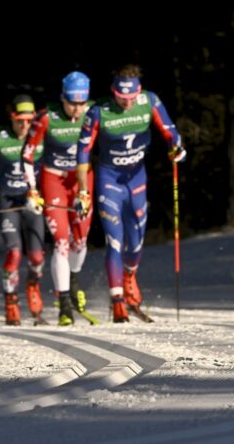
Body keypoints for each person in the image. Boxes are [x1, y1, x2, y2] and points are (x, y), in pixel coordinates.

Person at [76, 65, 186, 323]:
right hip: (109, 180)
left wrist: (177, 148)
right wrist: (83, 190)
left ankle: (129, 276)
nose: (126, 104)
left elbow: (170, 131)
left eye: (131, 98)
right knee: (115, 240)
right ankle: (117, 302)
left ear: (139, 92)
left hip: (136, 179)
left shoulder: (149, 101)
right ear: (113, 92)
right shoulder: (98, 112)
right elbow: (81, 155)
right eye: (121, 98)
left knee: (136, 243)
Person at [21, 72, 96, 326]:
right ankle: (64, 303)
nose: (76, 108)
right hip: (53, 180)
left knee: (81, 241)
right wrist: (32, 189)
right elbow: (28, 155)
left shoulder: (93, 113)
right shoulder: (46, 117)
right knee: (62, 242)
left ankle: (73, 277)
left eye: (81, 102)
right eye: (71, 102)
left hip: (82, 180)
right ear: (62, 98)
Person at [0, 94, 46, 325]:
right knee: (14, 253)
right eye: (19, 120)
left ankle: (33, 286)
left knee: (36, 256)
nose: (24, 126)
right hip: (7, 203)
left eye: (28, 120)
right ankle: (11, 301)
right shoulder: (0, 139)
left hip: (31, 200)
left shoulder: (40, 136)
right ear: (11, 118)